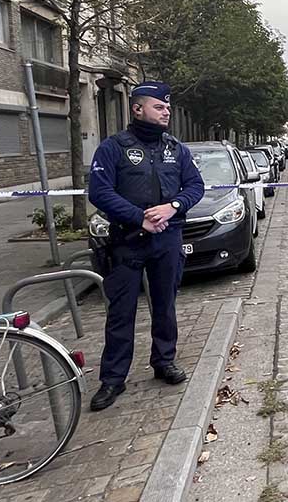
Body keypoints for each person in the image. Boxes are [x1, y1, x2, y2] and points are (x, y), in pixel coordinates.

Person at [87, 82, 205, 411]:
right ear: (138, 109)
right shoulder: (113, 148)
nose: (166, 111)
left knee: (165, 305)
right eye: (159, 106)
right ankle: (112, 379)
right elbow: (99, 192)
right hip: (127, 240)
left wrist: (174, 207)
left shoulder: (176, 149)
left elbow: (195, 185)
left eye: (168, 107)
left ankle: (164, 361)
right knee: (121, 312)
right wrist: (139, 217)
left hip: (167, 239)